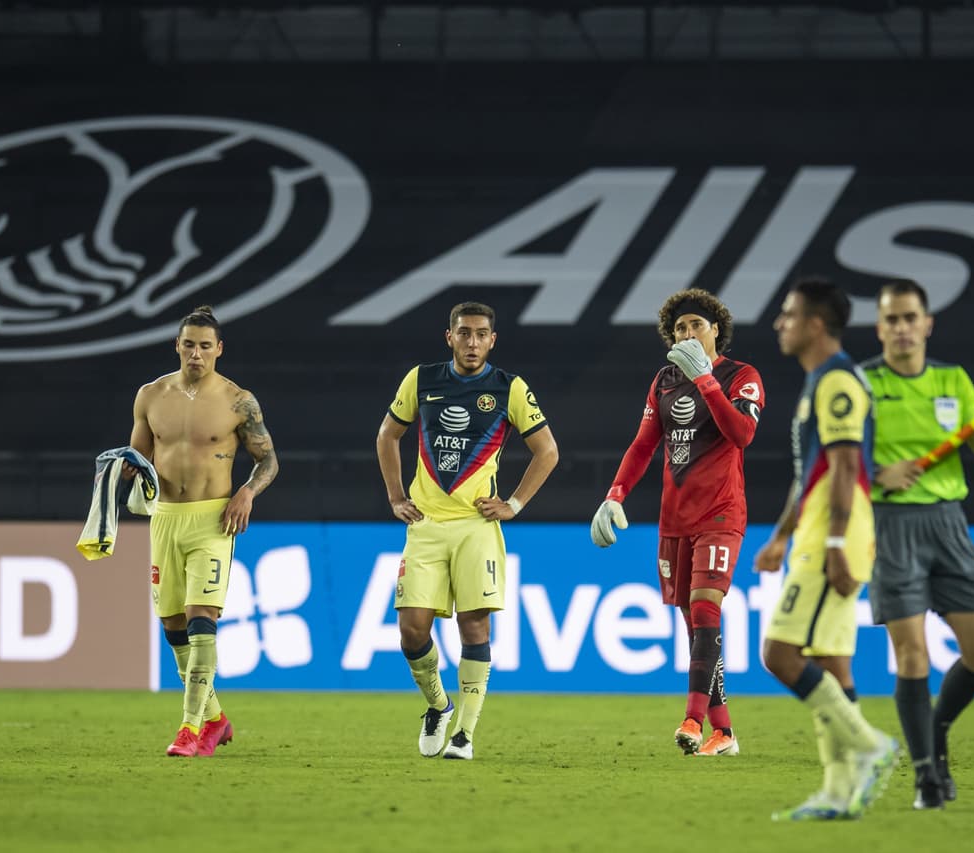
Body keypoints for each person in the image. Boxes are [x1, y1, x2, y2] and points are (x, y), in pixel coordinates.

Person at [377, 301, 558, 760]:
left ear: (492, 340)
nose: (472, 342)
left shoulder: (509, 388)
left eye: (481, 334)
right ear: (449, 337)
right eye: (464, 333)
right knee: (410, 631)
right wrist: (397, 496)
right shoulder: (422, 380)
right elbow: (387, 436)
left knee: (474, 627)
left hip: (476, 527)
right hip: (427, 524)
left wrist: (514, 502)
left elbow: (548, 451)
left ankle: (464, 735)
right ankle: (438, 706)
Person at [590, 288, 765, 757]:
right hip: (675, 519)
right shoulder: (663, 380)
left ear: (715, 331)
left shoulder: (741, 376)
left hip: (721, 513)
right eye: (680, 328)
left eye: (696, 326)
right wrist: (614, 495)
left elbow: (742, 434)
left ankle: (692, 717)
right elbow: (644, 444)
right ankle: (723, 731)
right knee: (694, 623)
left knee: (707, 606)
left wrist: (707, 380)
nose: (688, 334)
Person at [863, 278, 974, 810]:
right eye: (892, 319)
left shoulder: (954, 380)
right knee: (911, 655)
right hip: (890, 525)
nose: (902, 328)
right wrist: (880, 472)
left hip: (949, 524)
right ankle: (927, 776)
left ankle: (934, 730)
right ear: (880, 327)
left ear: (927, 324)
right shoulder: (860, 385)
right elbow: (835, 463)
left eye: (910, 318)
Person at [753, 278, 899, 820]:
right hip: (822, 533)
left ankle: (868, 745)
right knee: (831, 663)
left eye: (788, 314)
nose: (779, 323)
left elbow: (842, 468)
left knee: (780, 654)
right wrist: (780, 536)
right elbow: (810, 473)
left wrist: (833, 541)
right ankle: (839, 794)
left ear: (816, 324)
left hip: (833, 537)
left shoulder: (837, 382)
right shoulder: (821, 380)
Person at [128, 305, 279, 757]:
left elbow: (268, 460)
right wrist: (121, 480)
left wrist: (247, 492)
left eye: (205, 346)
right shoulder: (150, 396)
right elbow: (137, 460)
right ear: (177, 345)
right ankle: (215, 717)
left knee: (200, 620)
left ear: (219, 350)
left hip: (214, 520)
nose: (196, 353)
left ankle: (191, 729)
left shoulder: (238, 401)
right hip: (165, 519)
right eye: (189, 344)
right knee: (172, 623)